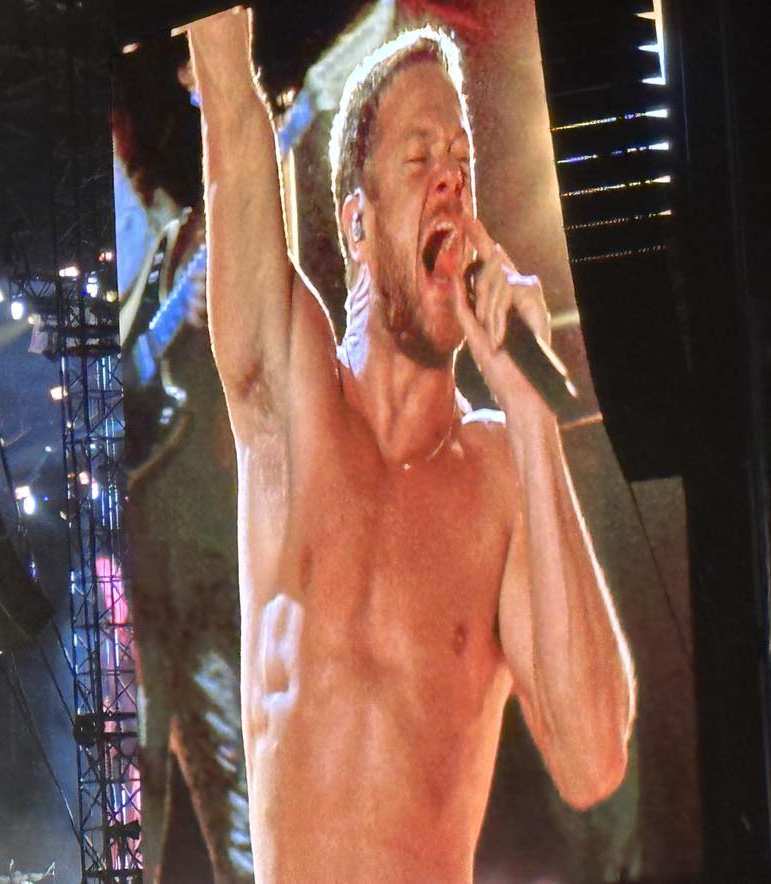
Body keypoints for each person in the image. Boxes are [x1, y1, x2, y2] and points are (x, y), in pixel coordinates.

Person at [187, 7, 636, 881]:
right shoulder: (294, 398)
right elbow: (234, 113)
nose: (450, 184)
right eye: (420, 158)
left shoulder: (501, 474)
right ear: (357, 226)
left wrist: (532, 414)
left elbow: (591, 762)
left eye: (461, 163)